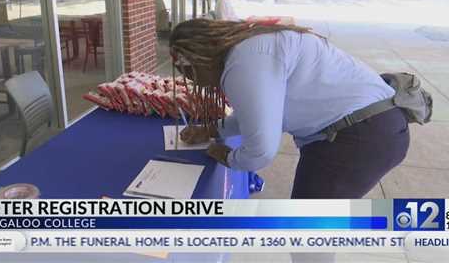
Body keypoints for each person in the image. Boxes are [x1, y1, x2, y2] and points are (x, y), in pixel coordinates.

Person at [170, 19, 410, 200]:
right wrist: (212, 130)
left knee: (308, 235)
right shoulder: (250, 49)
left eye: (188, 71)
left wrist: (226, 156)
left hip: (359, 137)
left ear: (199, 57)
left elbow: (260, 151)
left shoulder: (243, 63)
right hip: (373, 128)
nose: (194, 82)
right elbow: (255, 114)